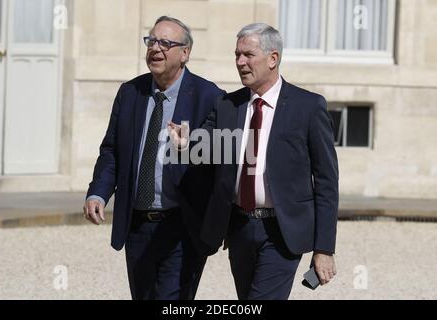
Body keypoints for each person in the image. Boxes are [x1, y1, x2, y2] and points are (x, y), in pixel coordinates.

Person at [170, 23, 339, 300]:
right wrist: (186, 144)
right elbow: (207, 148)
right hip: (238, 228)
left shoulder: (308, 107)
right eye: (237, 55)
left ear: (273, 58)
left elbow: (327, 182)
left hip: (282, 232)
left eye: (248, 55)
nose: (240, 62)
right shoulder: (227, 105)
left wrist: (324, 248)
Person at [83, 16, 224, 300]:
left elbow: (218, 159)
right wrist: (98, 193)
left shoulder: (208, 96)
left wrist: (190, 146)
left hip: (183, 225)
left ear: (185, 53)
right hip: (137, 224)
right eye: (151, 41)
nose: (155, 48)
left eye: (165, 43)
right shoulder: (130, 92)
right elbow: (112, 150)